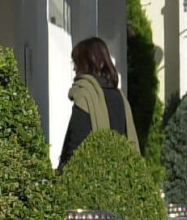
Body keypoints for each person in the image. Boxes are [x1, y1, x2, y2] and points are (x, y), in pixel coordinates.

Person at [58, 37, 140, 170]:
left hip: (91, 180)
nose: (74, 68)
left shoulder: (85, 95)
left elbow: (76, 143)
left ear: (86, 63)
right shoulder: (120, 98)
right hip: (119, 179)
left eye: (76, 63)